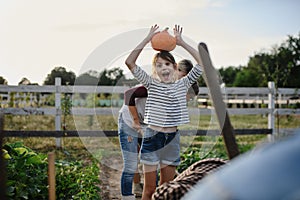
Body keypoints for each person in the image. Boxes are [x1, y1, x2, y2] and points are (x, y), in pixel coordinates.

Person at [125, 24, 203, 200]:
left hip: (172, 140)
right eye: (159, 65)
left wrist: (182, 43)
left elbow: (201, 63)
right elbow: (130, 62)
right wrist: (146, 39)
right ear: (155, 70)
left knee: (166, 189)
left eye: (167, 64)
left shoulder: (182, 84)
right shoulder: (151, 84)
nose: (164, 68)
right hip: (152, 138)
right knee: (150, 189)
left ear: (175, 67)